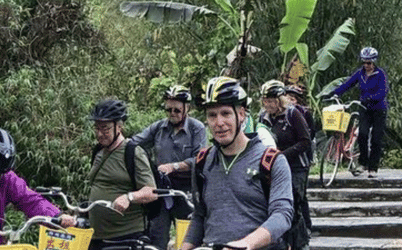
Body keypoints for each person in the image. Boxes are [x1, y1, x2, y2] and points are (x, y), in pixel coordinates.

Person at [182, 76, 293, 250]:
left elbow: (282, 215)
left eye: (225, 113)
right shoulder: (202, 162)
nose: (219, 123)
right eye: (212, 115)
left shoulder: (271, 161)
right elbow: (199, 216)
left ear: (241, 114)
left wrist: (246, 244)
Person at [131, 85, 207, 250]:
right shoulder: (159, 127)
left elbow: (200, 159)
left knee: (189, 236)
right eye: (169, 109)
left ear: (187, 108)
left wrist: (175, 166)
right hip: (162, 189)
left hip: (187, 189)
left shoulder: (197, 128)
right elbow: (134, 143)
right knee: (157, 236)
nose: (172, 113)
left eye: (177, 110)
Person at [87, 99, 157, 250]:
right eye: (96, 128)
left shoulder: (132, 152)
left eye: (105, 128)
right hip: (97, 237)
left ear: (119, 126)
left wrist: (129, 197)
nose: (99, 134)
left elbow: (151, 192)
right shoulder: (98, 151)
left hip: (126, 237)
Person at [258, 80, 311, 249]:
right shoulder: (262, 117)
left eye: (272, 101)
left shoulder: (292, 114)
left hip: (296, 166)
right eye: (265, 101)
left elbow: (305, 141)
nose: (268, 104)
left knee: (294, 204)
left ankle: (301, 243)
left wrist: (282, 156)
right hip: (272, 167)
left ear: (280, 100)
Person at [325, 46, 388, 178]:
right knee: (362, 135)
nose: (367, 65)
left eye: (369, 63)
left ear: (374, 62)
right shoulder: (360, 73)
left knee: (376, 139)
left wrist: (371, 98)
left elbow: (383, 91)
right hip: (364, 109)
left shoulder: (380, 74)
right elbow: (347, 84)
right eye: (364, 62)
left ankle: (373, 168)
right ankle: (363, 163)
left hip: (378, 109)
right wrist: (332, 94)